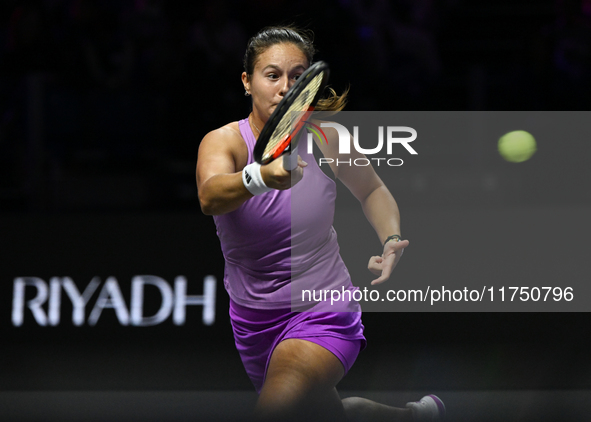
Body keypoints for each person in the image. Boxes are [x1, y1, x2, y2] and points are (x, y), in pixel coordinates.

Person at [196, 25, 445, 422]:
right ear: (247, 81)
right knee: (323, 415)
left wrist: (391, 237)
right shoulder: (225, 142)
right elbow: (210, 196)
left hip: (323, 308)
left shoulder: (328, 138)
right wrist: (262, 176)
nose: (285, 87)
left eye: (298, 77)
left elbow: (373, 190)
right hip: (253, 319)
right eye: (273, 75)